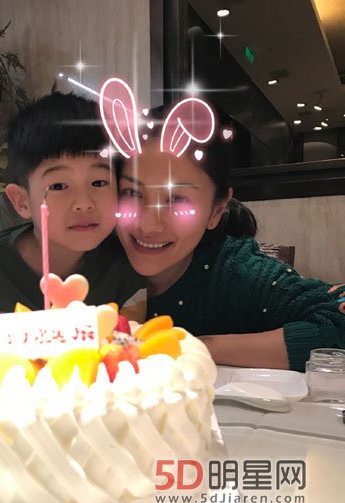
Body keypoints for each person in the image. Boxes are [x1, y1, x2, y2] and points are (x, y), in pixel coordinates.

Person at [116, 107, 345, 372]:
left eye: (177, 199)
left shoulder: (235, 273)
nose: (148, 225)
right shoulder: (96, 258)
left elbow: (337, 322)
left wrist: (192, 347)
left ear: (216, 211)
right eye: (132, 193)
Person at [0, 92, 144, 311]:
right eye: (58, 186)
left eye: (98, 182)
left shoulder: (126, 263)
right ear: (22, 202)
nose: (83, 203)